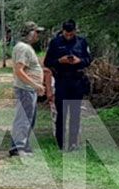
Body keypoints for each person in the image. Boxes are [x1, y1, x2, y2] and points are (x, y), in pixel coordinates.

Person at [43, 19, 92, 150]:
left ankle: (73, 143)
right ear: (63, 31)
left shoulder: (82, 42)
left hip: (77, 80)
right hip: (62, 80)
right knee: (61, 113)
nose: (69, 36)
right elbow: (48, 62)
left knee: (75, 113)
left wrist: (79, 61)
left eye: (71, 34)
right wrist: (60, 61)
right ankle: (61, 143)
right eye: (66, 34)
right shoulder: (55, 43)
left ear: (75, 31)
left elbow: (88, 60)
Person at [9, 21, 45, 157]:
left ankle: (22, 145)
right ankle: (17, 147)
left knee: (29, 118)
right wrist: (35, 85)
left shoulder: (25, 47)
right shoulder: (23, 48)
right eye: (36, 32)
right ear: (30, 33)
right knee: (23, 118)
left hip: (29, 89)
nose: (38, 35)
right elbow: (19, 70)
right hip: (25, 89)